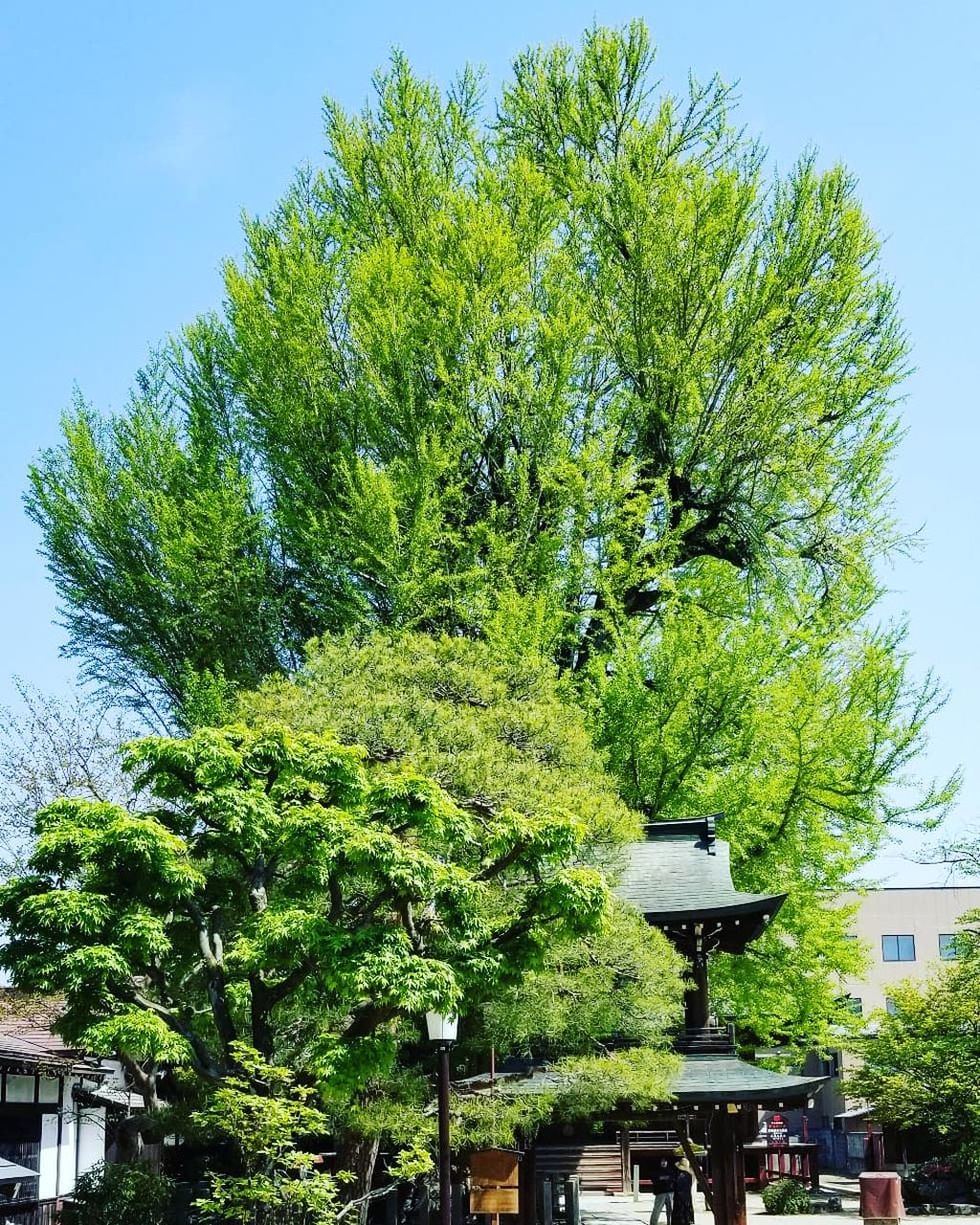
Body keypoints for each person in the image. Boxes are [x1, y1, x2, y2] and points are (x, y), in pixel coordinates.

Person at [650, 1157, 675, 1225]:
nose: (664, 1163)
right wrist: (664, 1178)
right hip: (660, 1193)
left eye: (665, 1161)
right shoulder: (656, 1171)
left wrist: (662, 1178)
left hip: (670, 1192)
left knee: (671, 1210)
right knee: (657, 1210)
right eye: (662, 1161)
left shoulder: (671, 1170)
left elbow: (673, 1179)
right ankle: (653, 1223)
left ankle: (670, 1223)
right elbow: (654, 1179)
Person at [670, 1158, 695, 1225]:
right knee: (687, 1218)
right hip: (687, 1198)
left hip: (679, 1200)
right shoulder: (690, 1176)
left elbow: (674, 1186)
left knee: (679, 1219)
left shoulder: (679, 1176)